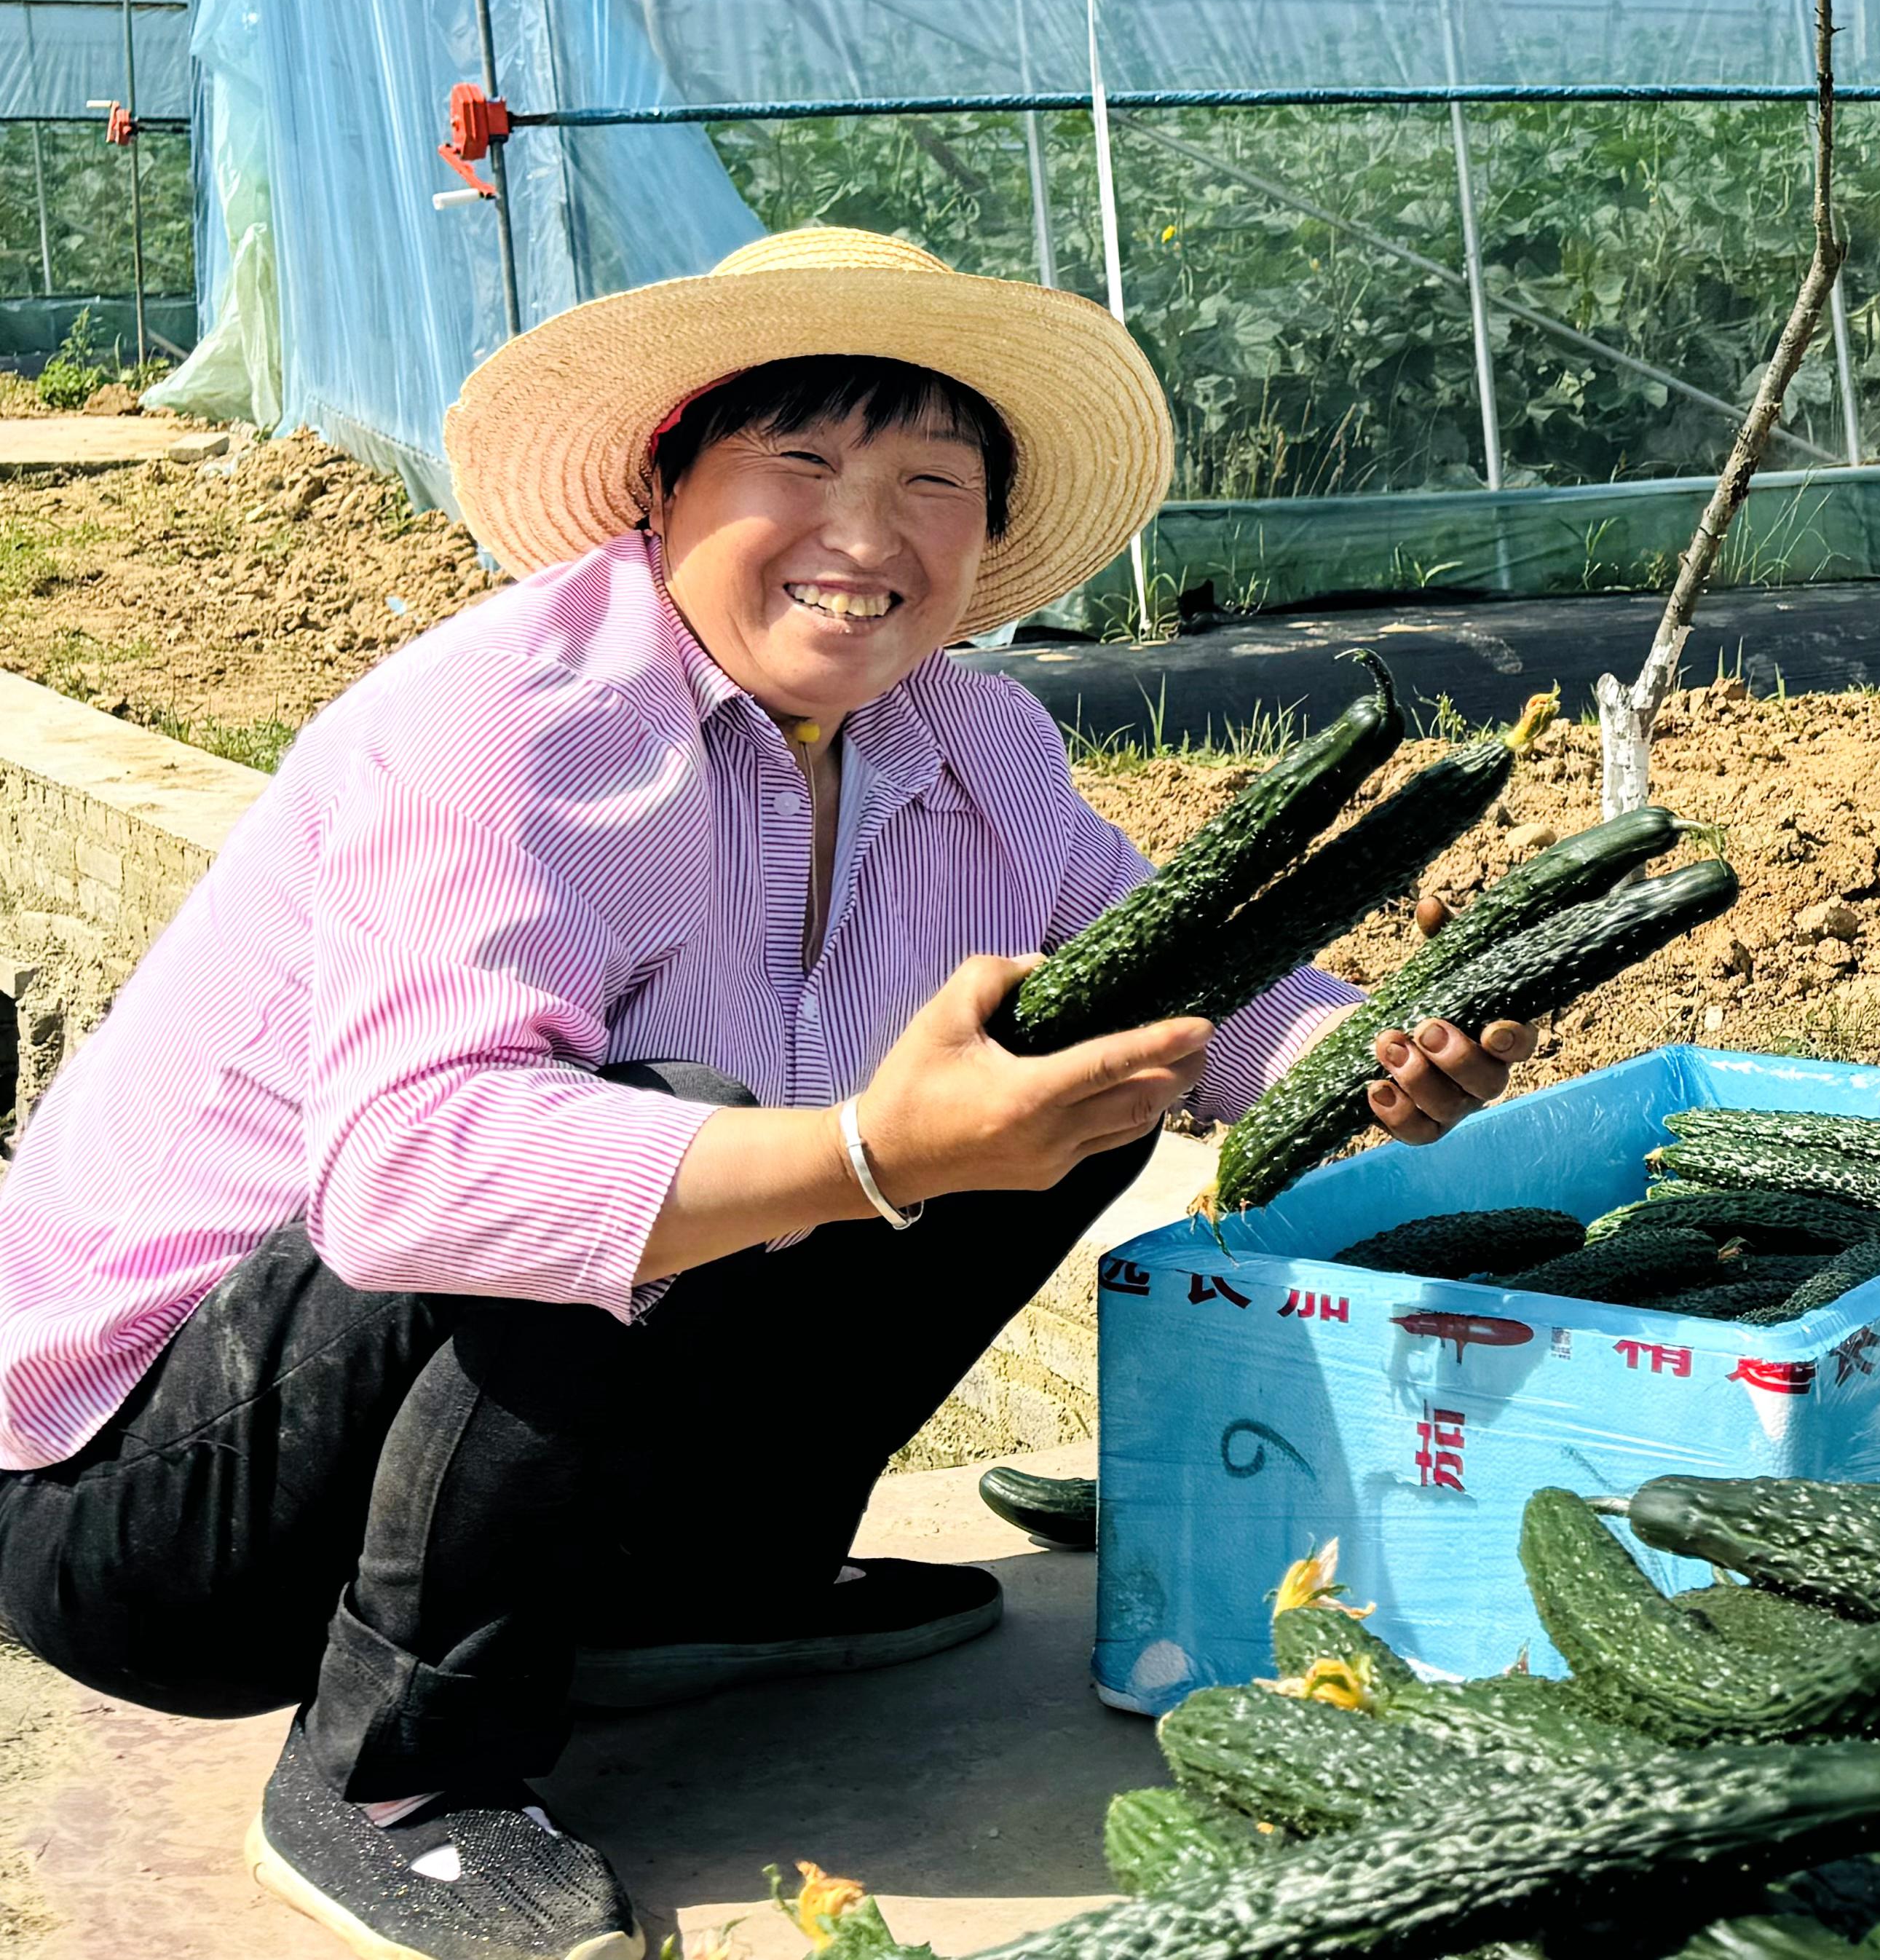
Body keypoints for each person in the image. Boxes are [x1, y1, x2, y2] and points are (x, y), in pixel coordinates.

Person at [0, 229, 1537, 1960]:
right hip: (139, 1495)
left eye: (931, 479)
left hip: (417, 1422)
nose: (865, 535)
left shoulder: (972, 743)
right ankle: (396, 1777)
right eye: (797, 463)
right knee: (647, 1114)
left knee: (1053, 1062)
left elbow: (1176, 990)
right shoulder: (511, 721)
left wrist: (1365, 1053)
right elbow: (413, 1175)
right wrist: (874, 1148)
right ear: (663, 485)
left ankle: (709, 1592)